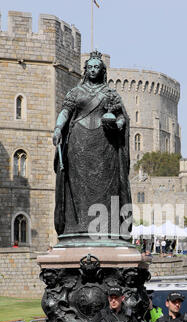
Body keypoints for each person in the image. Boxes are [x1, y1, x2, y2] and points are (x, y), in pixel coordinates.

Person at [52, 50, 131, 239]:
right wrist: (57, 127)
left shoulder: (110, 93)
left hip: (105, 145)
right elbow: (65, 111)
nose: (93, 70)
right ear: (85, 70)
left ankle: (107, 228)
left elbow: (122, 117)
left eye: (97, 67)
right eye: (90, 67)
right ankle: (76, 227)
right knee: (78, 187)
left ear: (102, 70)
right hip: (78, 143)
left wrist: (117, 124)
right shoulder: (75, 92)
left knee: (107, 186)